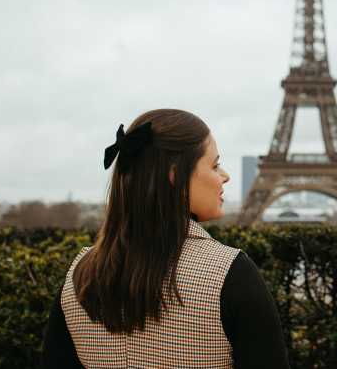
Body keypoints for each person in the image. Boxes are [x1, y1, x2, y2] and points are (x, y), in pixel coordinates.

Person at [41, 109, 290, 368]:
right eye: (214, 165)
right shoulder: (230, 273)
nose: (224, 176)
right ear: (175, 175)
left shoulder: (79, 274)